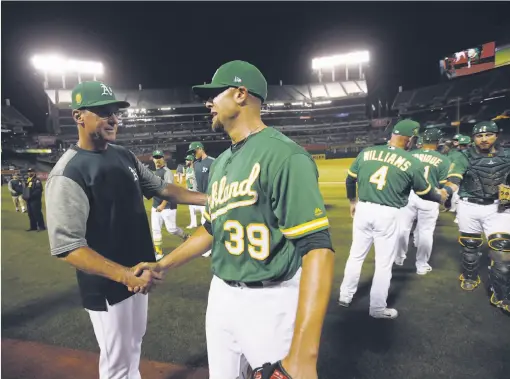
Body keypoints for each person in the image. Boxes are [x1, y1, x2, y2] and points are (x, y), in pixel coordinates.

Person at [134, 60, 335, 379]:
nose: (208, 103)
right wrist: (162, 264)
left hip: (271, 299)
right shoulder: (222, 162)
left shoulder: (285, 156)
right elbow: (212, 228)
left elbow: (318, 250)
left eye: (215, 93)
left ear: (241, 94)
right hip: (222, 296)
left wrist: (305, 354)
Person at [44, 80, 207, 379]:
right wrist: (123, 275)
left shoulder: (124, 155)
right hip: (109, 284)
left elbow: (163, 188)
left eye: (115, 112)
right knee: (117, 365)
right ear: (78, 117)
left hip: (139, 276)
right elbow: (68, 247)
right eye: (104, 112)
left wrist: (210, 199)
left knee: (133, 350)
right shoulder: (69, 172)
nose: (114, 119)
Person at [339, 120, 448, 319]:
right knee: (383, 263)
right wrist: (440, 196)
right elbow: (424, 192)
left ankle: (345, 296)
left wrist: (352, 201)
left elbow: (349, 179)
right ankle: (377, 309)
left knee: (355, 256)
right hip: (388, 213)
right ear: (410, 139)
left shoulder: (366, 152)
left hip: (363, 209)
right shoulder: (411, 161)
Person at [444, 120, 510, 313]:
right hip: (469, 206)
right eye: (479, 136)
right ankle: (470, 276)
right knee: (470, 246)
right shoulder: (463, 156)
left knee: (502, 252)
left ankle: (501, 294)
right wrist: (446, 191)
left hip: (499, 208)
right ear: (473, 138)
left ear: (496, 135)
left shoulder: (507, 155)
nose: (483, 139)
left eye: (488, 134)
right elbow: (455, 177)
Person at [395, 128, 451, 274]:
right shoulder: (444, 159)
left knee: (402, 229)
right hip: (430, 196)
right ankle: (421, 265)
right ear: (438, 142)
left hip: (410, 195)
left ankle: (399, 257)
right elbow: (443, 184)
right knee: (426, 232)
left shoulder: (410, 155)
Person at [151, 149, 189, 261]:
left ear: (163, 158)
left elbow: (170, 191)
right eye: (155, 158)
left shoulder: (167, 172)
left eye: (159, 157)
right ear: (153, 159)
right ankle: (158, 252)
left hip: (168, 206)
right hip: (155, 205)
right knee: (155, 229)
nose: (158, 160)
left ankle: (186, 236)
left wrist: (163, 204)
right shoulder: (155, 172)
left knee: (171, 229)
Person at [187, 141, 215, 256]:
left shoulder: (212, 162)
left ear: (200, 149)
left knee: (212, 224)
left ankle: (211, 248)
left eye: (194, 152)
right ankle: (209, 248)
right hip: (201, 198)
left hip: (212, 198)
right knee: (206, 225)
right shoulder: (196, 164)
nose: (193, 155)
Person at [184, 154, 200, 229]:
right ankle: (193, 223)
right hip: (190, 191)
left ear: (191, 161)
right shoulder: (187, 170)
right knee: (191, 209)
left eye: (187, 160)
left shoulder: (196, 169)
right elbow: (187, 181)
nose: (186, 161)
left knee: (202, 208)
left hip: (196, 191)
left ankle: (205, 223)